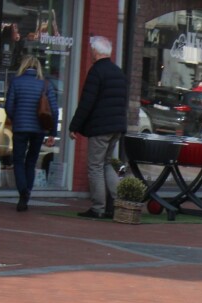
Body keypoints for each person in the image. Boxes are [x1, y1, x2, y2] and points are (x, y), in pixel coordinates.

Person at [68, 35, 128, 219]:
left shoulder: (96, 72)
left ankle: (98, 207)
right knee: (107, 163)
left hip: (100, 127)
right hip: (116, 126)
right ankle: (119, 204)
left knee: (95, 166)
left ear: (95, 51)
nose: (90, 54)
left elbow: (87, 101)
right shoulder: (118, 72)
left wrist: (74, 126)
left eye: (91, 50)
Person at [3, 56, 57, 212]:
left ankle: (22, 192)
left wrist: (16, 119)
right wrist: (52, 132)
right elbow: (53, 110)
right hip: (38, 129)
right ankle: (27, 192)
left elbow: (9, 106)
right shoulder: (46, 84)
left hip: (20, 128)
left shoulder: (16, 82)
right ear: (38, 68)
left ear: (24, 66)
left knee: (18, 160)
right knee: (31, 161)